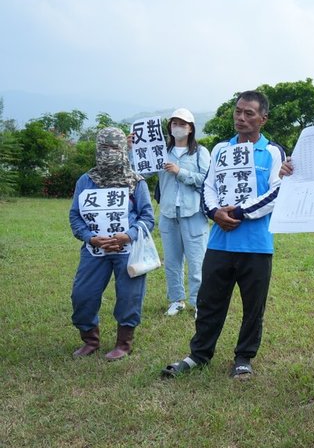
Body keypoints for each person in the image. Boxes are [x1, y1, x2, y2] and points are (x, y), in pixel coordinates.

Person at [161, 90, 284, 380]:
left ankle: (244, 358)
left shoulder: (273, 152)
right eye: (238, 111)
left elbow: (276, 192)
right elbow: (208, 186)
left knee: (253, 307)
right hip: (220, 242)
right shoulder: (220, 150)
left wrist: (238, 213)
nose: (241, 118)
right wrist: (216, 212)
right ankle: (199, 354)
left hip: (256, 245)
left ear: (262, 119)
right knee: (209, 301)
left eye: (249, 113)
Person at [69, 127, 155, 360]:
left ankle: (123, 343)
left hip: (127, 249)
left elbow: (147, 217)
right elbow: (75, 215)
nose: (109, 153)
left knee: (129, 296)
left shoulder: (136, 182)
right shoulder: (86, 181)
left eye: (115, 148)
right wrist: (89, 237)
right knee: (82, 295)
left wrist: (129, 235)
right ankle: (90, 339)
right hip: (94, 249)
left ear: (124, 150)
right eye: (104, 148)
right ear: (97, 149)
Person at [157, 108, 211, 318]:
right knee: (172, 261)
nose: (177, 127)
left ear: (190, 129)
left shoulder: (200, 152)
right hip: (169, 213)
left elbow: (206, 180)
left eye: (182, 124)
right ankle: (176, 300)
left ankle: (199, 303)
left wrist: (180, 172)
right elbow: (142, 171)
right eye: (173, 123)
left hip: (194, 213)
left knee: (197, 261)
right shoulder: (162, 151)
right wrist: (133, 149)